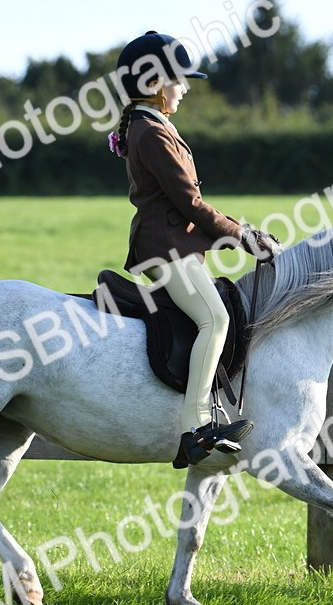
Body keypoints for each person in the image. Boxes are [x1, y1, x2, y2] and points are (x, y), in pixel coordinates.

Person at [109, 31, 279, 469]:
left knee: (215, 314)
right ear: (153, 84)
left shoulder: (153, 125)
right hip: (164, 248)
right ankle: (195, 427)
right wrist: (242, 236)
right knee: (215, 318)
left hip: (171, 245)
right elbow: (190, 203)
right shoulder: (150, 132)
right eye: (178, 81)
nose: (184, 88)